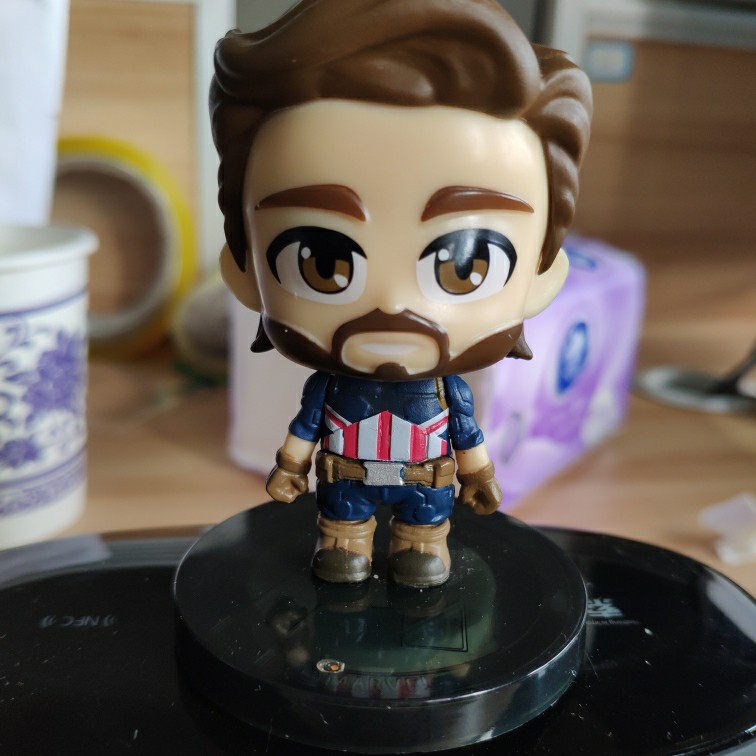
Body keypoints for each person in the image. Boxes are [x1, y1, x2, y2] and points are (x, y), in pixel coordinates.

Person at [213, 0, 591, 587]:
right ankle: (346, 542)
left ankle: (420, 545)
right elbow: (306, 427)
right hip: (346, 483)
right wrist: (290, 467)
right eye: (322, 261)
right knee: (342, 544)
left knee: (421, 550)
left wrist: (480, 476)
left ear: (541, 278)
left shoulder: (445, 392)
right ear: (244, 270)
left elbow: (467, 435)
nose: (391, 306)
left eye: (466, 266)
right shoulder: (329, 387)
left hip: (426, 488)